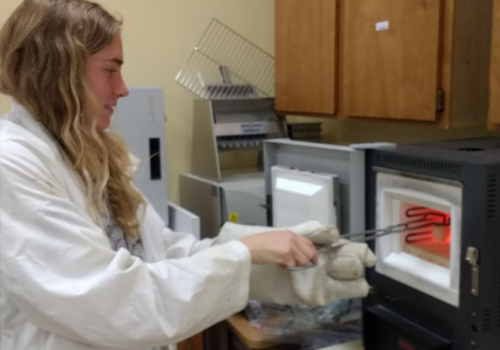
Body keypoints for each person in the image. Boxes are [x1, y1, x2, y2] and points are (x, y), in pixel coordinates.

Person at [0, 1, 376, 349]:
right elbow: (111, 300)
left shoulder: (90, 154)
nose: (123, 88)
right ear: (56, 73)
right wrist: (244, 254)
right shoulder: (12, 163)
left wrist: (274, 266)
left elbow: (161, 257)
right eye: (110, 70)